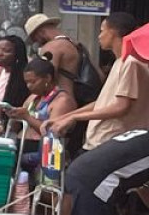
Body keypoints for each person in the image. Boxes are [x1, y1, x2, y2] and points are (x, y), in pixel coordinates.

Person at [52, 11, 149, 149]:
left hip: (113, 142)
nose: (99, 36)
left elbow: (121, 106)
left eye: (102, 31)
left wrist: (75, 118)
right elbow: (104, 102)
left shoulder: (131, 63)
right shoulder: (120, 62)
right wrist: (65, 117)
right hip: (100, 141)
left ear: (113, 32)